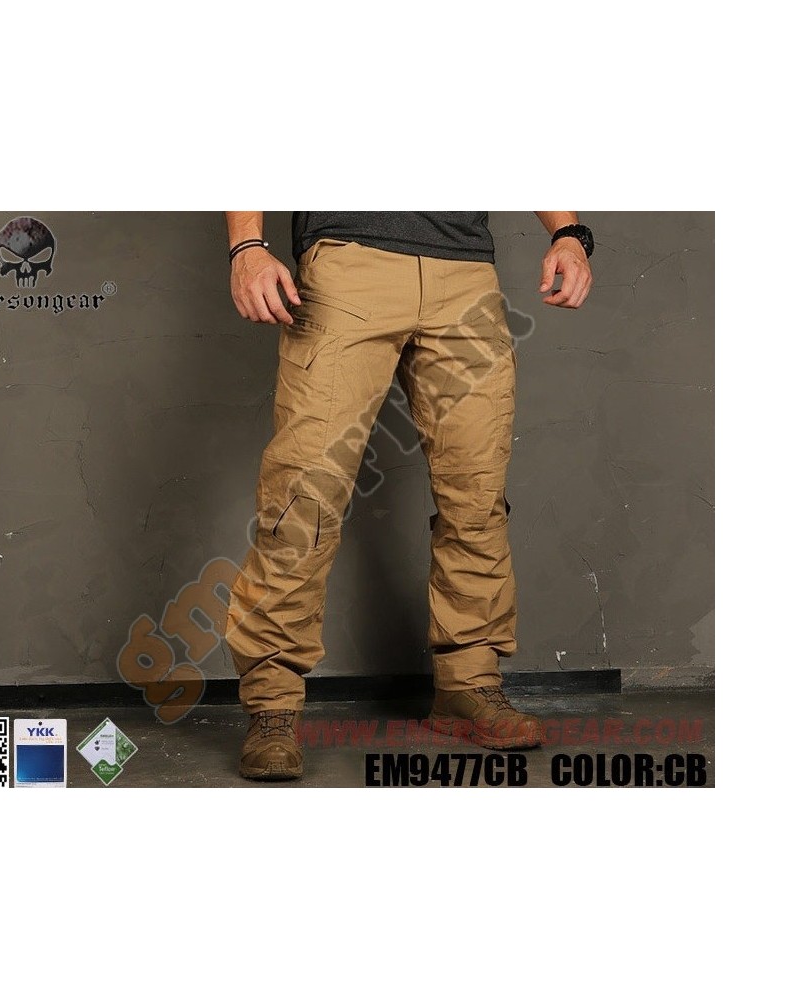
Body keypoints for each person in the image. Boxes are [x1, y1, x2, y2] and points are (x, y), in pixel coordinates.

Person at [222, 212, 593, 780]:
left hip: (465, 274)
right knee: (303, 500)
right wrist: (245, 245)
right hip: (348, 264)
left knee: (477, 500)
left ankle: (468, 685)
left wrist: (567, 233)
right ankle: (273, 703)